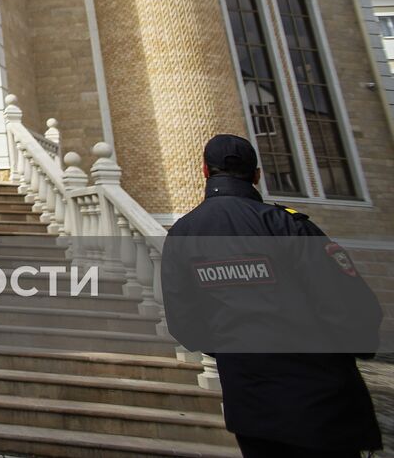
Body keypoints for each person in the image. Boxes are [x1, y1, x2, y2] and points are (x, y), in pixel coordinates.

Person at [162, 134, 383, 458]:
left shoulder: (183, 233)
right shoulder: (287, 225)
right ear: (257, 175)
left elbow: (184, 324)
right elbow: (352, 306)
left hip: (251, 406)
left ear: (205, 172)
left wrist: (234, 349)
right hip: (322, 402)